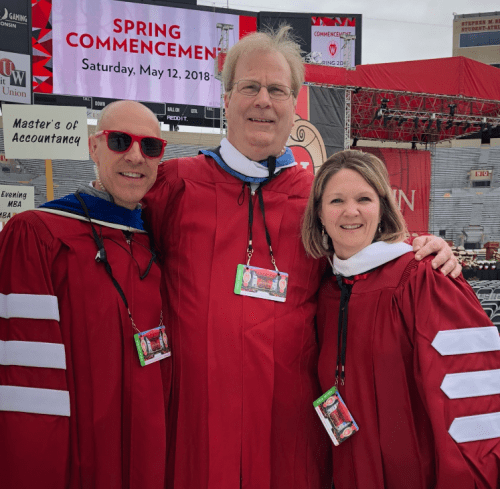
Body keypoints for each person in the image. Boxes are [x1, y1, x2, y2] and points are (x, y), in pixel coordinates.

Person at [143, 26, 459, 489]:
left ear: (295, 104)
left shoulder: (317, 197)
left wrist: (422, 247)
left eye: (277, 90)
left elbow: (368, 249)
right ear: (226, 99)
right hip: (198, 423)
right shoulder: (176, 185)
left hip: (289, 428)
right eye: (250, 87)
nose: (263, 100)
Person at [301, 149, 500, 489]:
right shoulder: (322, 289)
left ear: (383, 208)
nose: (351, 212)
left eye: (364, 198)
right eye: (336, 201)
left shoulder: (425, 276)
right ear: (319, 213)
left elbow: (473, 400)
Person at [0, 100, 170, 489]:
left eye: (150, 147)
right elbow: (27, 384)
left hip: (149, 456)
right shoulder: (38, 237)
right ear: (94, 147)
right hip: (81, 459)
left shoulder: (157, 242)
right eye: (120, 141)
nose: (134, 156)